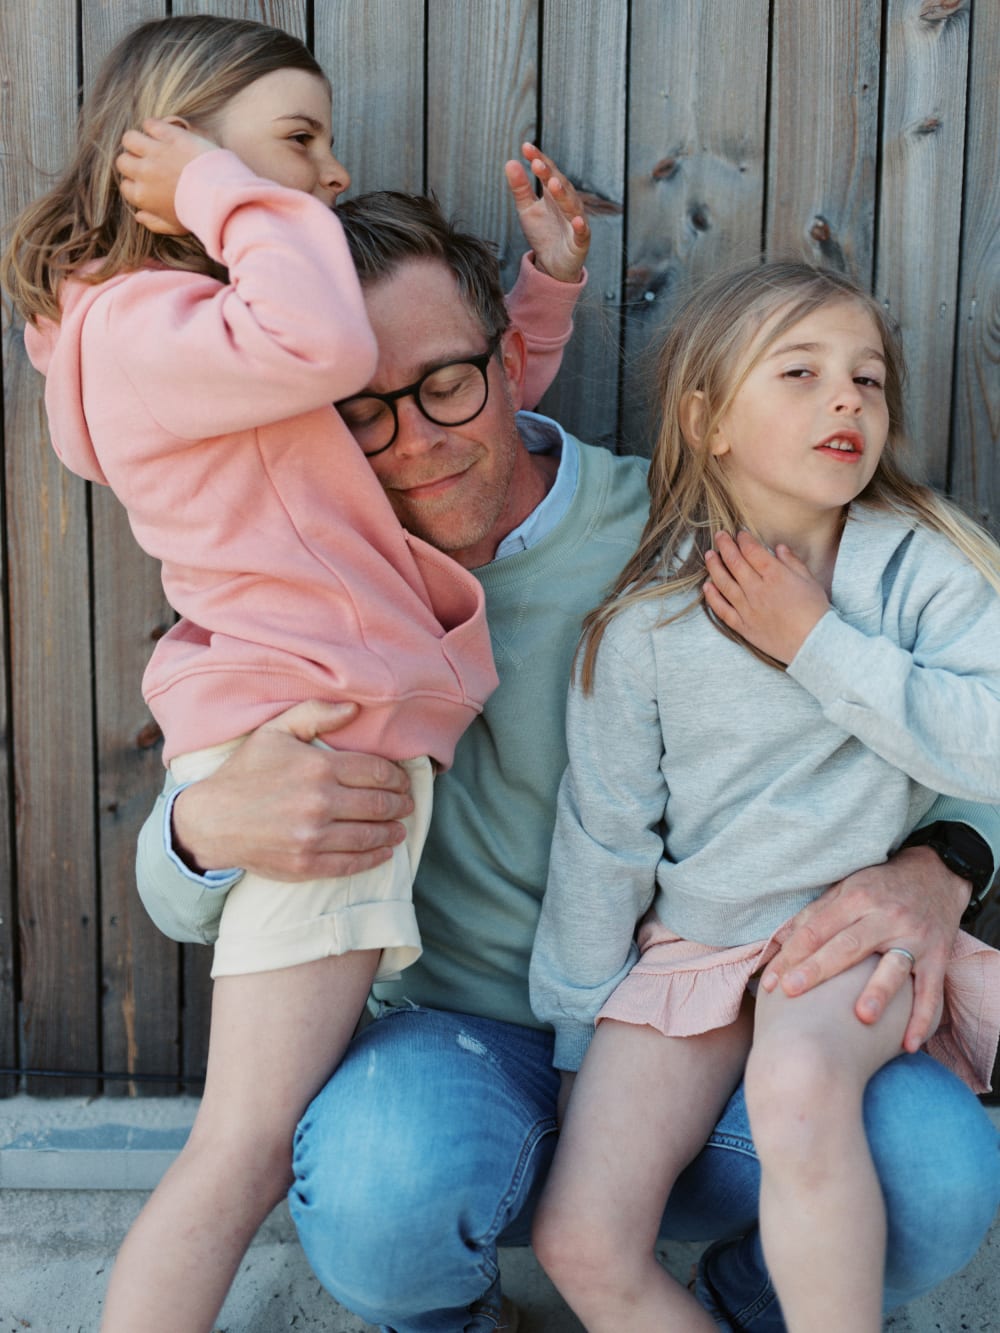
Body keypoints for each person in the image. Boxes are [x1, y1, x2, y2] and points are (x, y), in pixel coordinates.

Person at [134, 196, 1000, 1332]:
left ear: (509, 355)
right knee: (381, 1187)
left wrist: (943, 864)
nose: (416, 441)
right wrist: (204, 831)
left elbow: (954, 736)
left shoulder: (691, 538)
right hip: (456, 1044)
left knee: (932, 1174)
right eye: (359, 415)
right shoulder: (296, 598)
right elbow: (174, 896)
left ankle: (754, 1309)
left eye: (446, 383)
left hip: (723, 1019)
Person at [0, 16, 591, 1333]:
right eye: (298, 146)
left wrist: (543, 295)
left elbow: (439, 396)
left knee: (241, 1149)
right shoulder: (156, 328)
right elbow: (333, 350)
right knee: (238, 1154)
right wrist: (221, 188)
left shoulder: (202, 341)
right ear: (170, 156)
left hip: (335, 729)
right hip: (316, 741)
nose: (324, 180)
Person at [527, 261, 1000, 1332]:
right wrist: (573, 1038)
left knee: (796, 1087)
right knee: (579, 1238)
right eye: (800, 372)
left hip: (842, 942)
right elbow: (602, 839)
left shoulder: (919, 573)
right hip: (692, 953)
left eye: (868, 379)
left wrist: (816, 645)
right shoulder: (644, 623)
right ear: (708, 420)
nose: (846, 398)